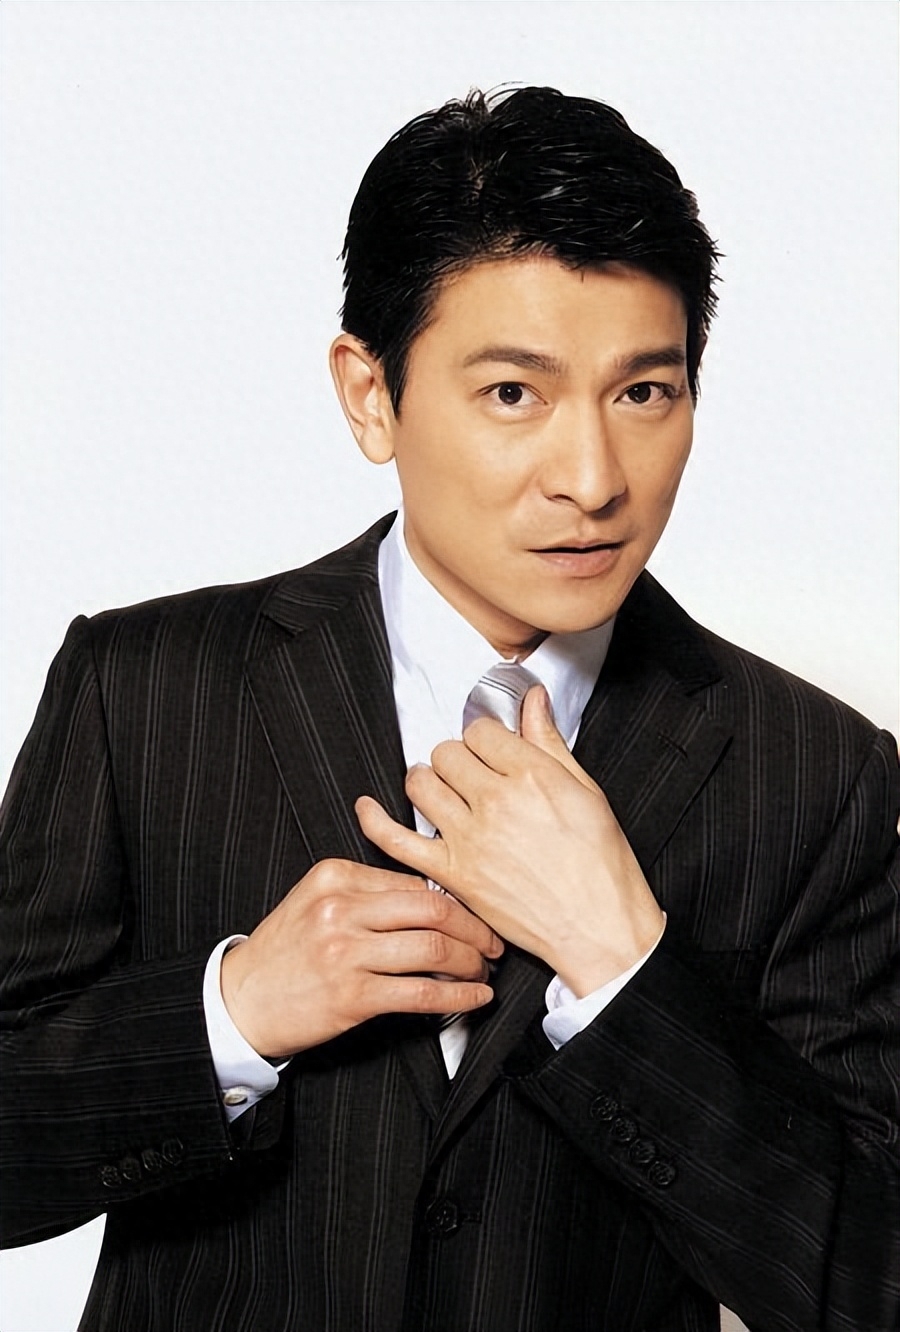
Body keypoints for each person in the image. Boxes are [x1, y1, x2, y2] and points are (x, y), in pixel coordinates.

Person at [0, 86, 897, 1332]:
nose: (593, 480)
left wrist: (622, 963)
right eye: (514, 394)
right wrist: (231, 1016)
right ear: (371, 396)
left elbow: (868, 1280)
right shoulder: (142, 687)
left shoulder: (819, 773)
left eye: (645, 392)